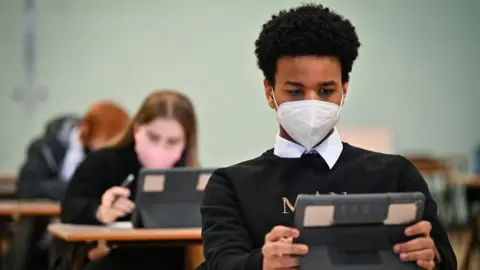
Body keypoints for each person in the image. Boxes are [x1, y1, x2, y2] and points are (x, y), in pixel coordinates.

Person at [200, 4, 456, 270]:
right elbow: (222, 262)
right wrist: (262, 262)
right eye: (296, 92)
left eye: (325, 91)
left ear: (344, 90)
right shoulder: (231, 185)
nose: (312, 103)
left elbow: (446, 260)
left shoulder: (395, 174)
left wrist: (431, 257)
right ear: (269, 92)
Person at [60, 90, 199, 270]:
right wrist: (100, 212)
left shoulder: (189, 175)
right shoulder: (103, 161)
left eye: (172, 142)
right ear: (137, 129)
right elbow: (70, 207)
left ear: (186, 143)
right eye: (153, 137)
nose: (161, 148)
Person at [15, 101, 129, 270]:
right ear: (86, 130)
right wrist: (73, 191)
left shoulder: (106, 158)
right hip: (39, 233)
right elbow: (28, 186)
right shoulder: (45, 148)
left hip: (83, 235)